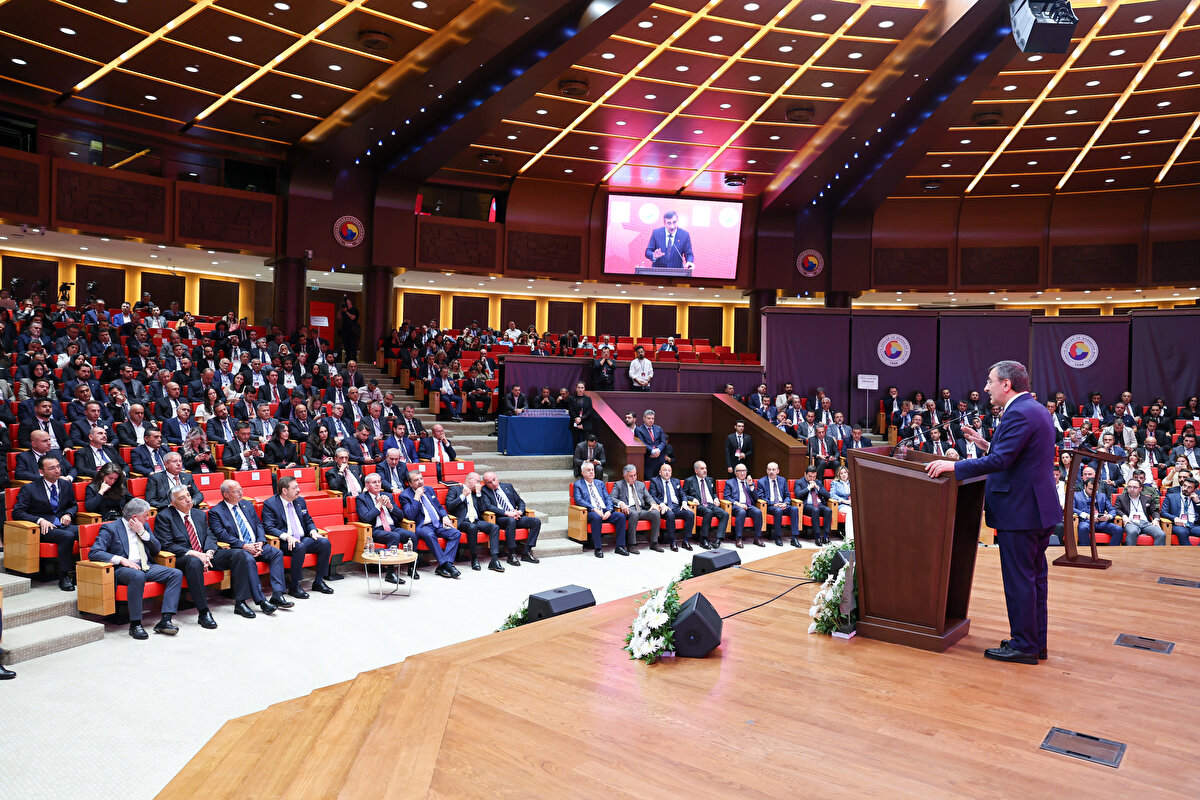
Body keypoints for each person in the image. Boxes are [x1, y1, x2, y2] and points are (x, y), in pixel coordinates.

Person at [925, 360, 1058, 665]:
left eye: (990, 381)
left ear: (1006, 384)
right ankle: (1035, 642)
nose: (986, 388)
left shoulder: (1018, 412)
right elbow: (1018, 455)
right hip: (1036, 508)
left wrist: (954, 466)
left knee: (1020, 580)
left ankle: (1024, 646)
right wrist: (985, 443)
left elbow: (1002, 462)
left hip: (1021, 510)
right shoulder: (1035, 409)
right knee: (1034, 579)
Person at [89, 498, 184, 639]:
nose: (148, 518)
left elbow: (157, 549)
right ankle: (135, 624)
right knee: (138, 576)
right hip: (123, 569)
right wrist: (122, 560)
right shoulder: (110, 528)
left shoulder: (144, 526)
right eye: (146, 515)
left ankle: (165, 620)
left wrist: (142, 533)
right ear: (134, 517)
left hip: (145, 565)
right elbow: (94, 552)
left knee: (175, 574)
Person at [206, 480, 294, 615]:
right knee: (247, 559)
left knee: (276, 553)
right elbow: (221, 535)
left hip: (256, 544)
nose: (241, 493)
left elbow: (258, 525)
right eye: (236, 491)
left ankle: (277, 594)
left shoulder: (247, 504)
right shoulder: (216, 512)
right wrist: (244, 545)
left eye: (241, 489)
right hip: (239, 549)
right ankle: (261, 600)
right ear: (226, 494)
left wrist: (261, 541)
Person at [12, 454, 80, 591]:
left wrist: (68, 514)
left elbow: (73, 505)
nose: (57, 470)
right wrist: (39, 520)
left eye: (58, 467)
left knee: (86, 532)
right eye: (51, 468)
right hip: (42, 528)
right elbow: (17, 513)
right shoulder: (29, 488)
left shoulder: (66, 485)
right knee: (67, 536)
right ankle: (64, 576)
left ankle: (82, 572)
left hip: (62, 524)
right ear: (41, 472)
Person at [261, 476, 335, 597]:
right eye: (295, 488)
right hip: (284, 542)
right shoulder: (270, 504)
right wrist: (287, 537)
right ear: (284, 490)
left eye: (298, 487)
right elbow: (268, 527)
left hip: (302, 538)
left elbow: (308, 520)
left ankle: (318, 582)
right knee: (299, 546)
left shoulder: (300, 501)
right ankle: (294, 586)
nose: (298, 490)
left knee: (324, 543)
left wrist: (313, 532)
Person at [398, 471, 462, 578]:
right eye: (416, 480)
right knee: (429, 535)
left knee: (456, 533)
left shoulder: (429, 489)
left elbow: (439, 507)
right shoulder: (405, 495)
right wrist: (416, 497)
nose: (420, 482)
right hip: (423, 526)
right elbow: (410, 516)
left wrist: (445, 516)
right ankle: (447, 565)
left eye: (421, 479)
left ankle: (444, 565)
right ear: (410, 483)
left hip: (438, 524)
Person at [445, 472, 501, 572]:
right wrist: (463, 496)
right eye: (478, 481)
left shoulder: (476, 493)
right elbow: (449, 506)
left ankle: (494, 559)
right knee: (472, 527)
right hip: (462, 521)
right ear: (470, 479)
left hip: (476, 520)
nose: (479, 484)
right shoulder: (455, 489)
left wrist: (479, 494)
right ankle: (474, 558)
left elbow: (482, 509)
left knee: (494, 527)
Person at [573, 461, 627, 557]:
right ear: (582, 473)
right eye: (588, 470)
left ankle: (620, 547)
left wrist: (609, 510)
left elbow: (608, 498)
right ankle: (598, 548)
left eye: (592, 470)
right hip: (590, 512)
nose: (591, 472)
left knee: (621, 516)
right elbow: (579, 500)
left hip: (604, 510)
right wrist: (594, 509)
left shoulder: (600, 483)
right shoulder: (578, 485)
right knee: (596, 517)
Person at [609, 464, 660, 552]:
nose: (634, 478)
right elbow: (611, 498)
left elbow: (648, 497)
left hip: (641, 509)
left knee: (656, 513)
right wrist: (621, 503)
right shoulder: (618, 485)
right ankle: (631, 544)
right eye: (631, 476)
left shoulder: (641, 484)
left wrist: (653, 503)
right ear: (625, 476)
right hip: (628, 509)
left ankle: (654, 543)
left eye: (635, 475)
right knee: (634, 513)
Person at [649, 463, 694, 552]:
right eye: (665, 470)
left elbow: (682, 494)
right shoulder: (655, 481)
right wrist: (661, 504)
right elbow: (652, 496)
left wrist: (684, 502)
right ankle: (672, 541)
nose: (667, 472)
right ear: (660, 472)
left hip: (676, 507)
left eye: (669, 470)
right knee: (670, 515)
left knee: (690, 514)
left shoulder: (676, 481)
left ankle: (686, 541)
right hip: (664, 507)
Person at [684, 460, 729, 549]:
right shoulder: (689, 480)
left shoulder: (710, 480)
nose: (705, 470)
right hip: (699, 505)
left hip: (711, 504)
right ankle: (703, 539)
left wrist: (716, 498)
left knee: (725, 514)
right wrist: (692, 499)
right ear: (696, 470)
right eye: (702, 468)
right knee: (708, 512)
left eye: (705, 468)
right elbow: (683, 494)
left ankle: (718, 540)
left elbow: (714, 493)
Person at [756, 462, 800, 547]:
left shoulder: (782, 480)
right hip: (771, 506)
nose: (771, 472)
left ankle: (794, 538)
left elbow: (787, 495)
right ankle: (778, 537)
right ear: (766, 471)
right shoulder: (761, 482)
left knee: (794, 509)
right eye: (769, 469)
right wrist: (774, 504)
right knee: (778, 510)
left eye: (773, 469)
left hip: (783, 504)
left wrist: (785, 503)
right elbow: (761, 497)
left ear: (778, 471)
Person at [723, 463, 763, 547]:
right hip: (736, 506)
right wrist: (738, 504)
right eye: (740, 471)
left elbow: (756, 498)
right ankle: (738, 539)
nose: (742, 473)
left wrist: (751, 485)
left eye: (744, 471)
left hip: (749, 505)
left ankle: (757, 538)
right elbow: (726, 496)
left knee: (758, 512)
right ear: (735, 472)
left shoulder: (749, 482)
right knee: (741, 512)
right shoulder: (729, 483)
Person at [1114, 477, 1163, 546]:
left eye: (1135, 487)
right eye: (1129, 487)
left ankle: (1157, 553)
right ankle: (1130, 552)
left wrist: (1156, 519)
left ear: (1140, 489)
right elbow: (1116, 509)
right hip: (1131, 522)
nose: (1132, 489)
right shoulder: (1121, 498)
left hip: (1146, 523)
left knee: (1161, 534)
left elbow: (1154, 511)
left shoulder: (1147, 499)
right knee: (1132, 532)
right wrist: (1124, 516)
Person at [1073, 478, 1122, 546]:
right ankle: (1086, 551)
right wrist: (1087, 516)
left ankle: (1111, 551)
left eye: (1095, 490)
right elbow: (1071, 509)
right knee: (1083, 528)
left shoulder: (1102, 496)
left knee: (1118, 529)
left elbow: (1112, 509)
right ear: (1085, 486)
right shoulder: (1076, 496)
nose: (1093, 492)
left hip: (1101, 522)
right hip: (1086, 521)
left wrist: (1108, 517)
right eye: (1090, 489)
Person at [794, 465, 833, 545]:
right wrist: (808, 488)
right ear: (805, 474)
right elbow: (798, 495)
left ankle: (826, 536)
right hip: (807, 505)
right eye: (810, 476)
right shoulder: (799, 482)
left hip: (819, 504)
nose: (812, 479)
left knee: (828, 510)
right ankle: (817, 537)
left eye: (814, 477)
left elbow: (828, 495)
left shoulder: (818, 482)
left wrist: (818, 488)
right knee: (815, 510)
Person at [1161, 477, 1200, 546]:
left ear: (1195, 490)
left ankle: (1195, 551)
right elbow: (1163, 512)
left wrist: (1198, 503)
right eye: (1184, 485)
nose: (1185, 488)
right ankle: (1190, 551)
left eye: (1189, 487)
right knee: (1182, 531)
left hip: (1193, 525)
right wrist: (1174, 518)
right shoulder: (1171, 497)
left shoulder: (1197, 499)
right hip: (1178, 525)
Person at [634, 409, 667, 477]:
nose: (651, 420)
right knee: (649, 480)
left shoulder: (659, 428)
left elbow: (663, 442)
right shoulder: (638, 430)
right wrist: (653, 451)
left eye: (652, 418)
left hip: (659, 459)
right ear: (644, 419)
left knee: (661, 480)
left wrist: (658, 450)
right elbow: (642, 443)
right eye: (649, 418)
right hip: (648, 460)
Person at [829, 465, 853, 539]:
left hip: (852, 504)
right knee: (850, 511)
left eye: (845, 472)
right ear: (838, 475)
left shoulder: (852, 482)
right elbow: (832, 495)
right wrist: (844, 501)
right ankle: (850, 538)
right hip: (841, 505)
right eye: (841, 473)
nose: (844, 475)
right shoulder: (835, 483)